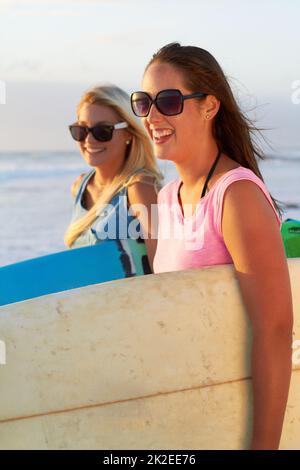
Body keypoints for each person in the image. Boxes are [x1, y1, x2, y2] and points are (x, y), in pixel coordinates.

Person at [131, 42, 293, 449]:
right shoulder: (167, 198)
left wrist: (264, 447)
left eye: (168, 101)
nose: (152, 117)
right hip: (189, 417)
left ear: (209, 106)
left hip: (233, 420)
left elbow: (275, 330)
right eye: (143, 102)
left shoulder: (235, 196)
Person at [65, 84, 162, 274]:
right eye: (81, 130)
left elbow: (163, 272)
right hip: (88, 303)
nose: (89, 140)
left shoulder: (140, 189)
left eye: (103, 131)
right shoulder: (80, 187)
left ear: (128, 133)